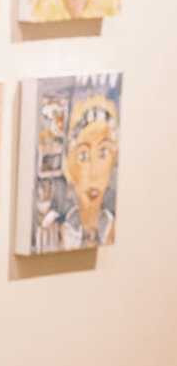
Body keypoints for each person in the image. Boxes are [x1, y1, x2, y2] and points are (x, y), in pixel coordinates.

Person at [41, 94, 119, 250]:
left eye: (103, 153)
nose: (94, 172)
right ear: (69, 168)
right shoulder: (56, 232)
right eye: (83, 155)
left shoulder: (116, 229)